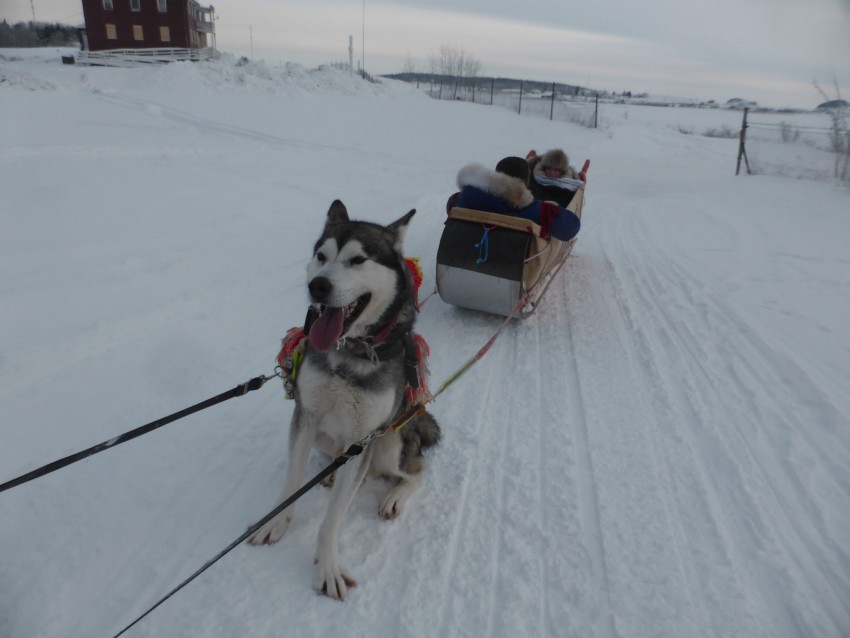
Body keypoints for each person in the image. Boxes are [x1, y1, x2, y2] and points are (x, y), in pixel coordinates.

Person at [446, 156, 580, 241]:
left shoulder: (465, 197)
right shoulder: (531, 209)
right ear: (525, 182)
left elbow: (450, 205)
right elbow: (571, 228)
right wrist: (551, 207)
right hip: (508, 262)